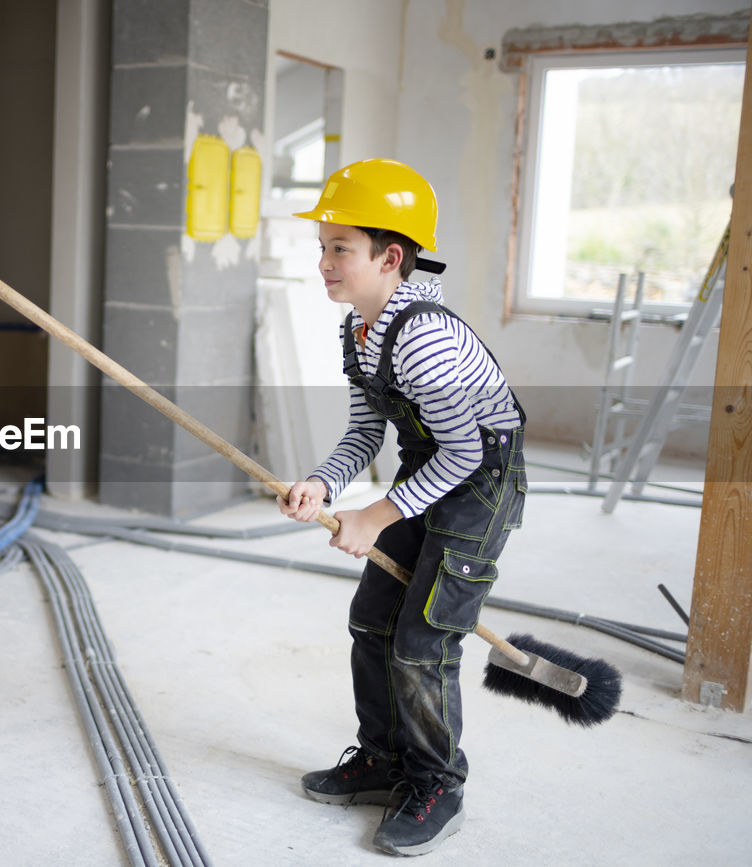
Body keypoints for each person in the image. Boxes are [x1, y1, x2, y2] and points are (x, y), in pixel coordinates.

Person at [277, 158, 527, 857]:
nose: (322, 261)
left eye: (339, 248)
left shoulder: (422, 337)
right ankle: (385, 760)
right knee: (372, 618)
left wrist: (375, 515)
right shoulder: (359, 330)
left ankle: (438, 782)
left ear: (390, 257)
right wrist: (325, 486)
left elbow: (466, 455)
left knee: (423, 637)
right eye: (322, 245)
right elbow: (365, 432)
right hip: (431, 466)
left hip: (482, 481)